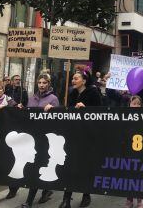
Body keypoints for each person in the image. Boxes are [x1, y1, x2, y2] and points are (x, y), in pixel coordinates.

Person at [60, 71, 101, 208]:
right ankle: (67, 198)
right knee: (70, 165)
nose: (73, 80)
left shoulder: (93, 92)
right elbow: (67, 111)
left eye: (76, 78)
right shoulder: (72, 93)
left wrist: (86, 109)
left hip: (88, 135)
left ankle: (86, 194)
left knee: (85, 165)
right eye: (72, 78)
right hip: (73, 134)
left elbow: (101, 112)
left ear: (84, 81)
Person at [20, 73, 59, 208]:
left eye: (44, 83)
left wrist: (53, 110)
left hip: (44, 140)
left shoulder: (53, 99)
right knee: (35, 167)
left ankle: (29, 202)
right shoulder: (32, 98)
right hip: (32, 138)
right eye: (40, 83)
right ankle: (47, 190)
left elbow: (58, 118)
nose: (42, 85)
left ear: (48, 84)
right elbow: (27, 115)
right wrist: (21, 110)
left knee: (37, 168)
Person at [125, 96, 143, 208]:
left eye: (138, 104)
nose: (136, 106)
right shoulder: (124, 117)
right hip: (128, 152)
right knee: (128, 176)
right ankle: (129, 199)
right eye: (134, 104)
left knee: (139, 176)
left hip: (140, 152)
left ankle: (140, 200)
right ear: (129, 105)